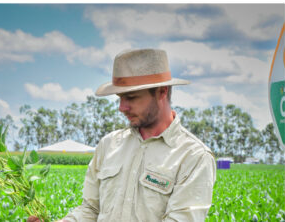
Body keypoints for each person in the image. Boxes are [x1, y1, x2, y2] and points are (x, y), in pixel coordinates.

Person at [60, 49, 216, 221]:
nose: (122, 107)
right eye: (120, 98)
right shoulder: (109, 145)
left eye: (131, 97)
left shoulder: (193, 157)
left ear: (162, 92)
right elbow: (90, 209)